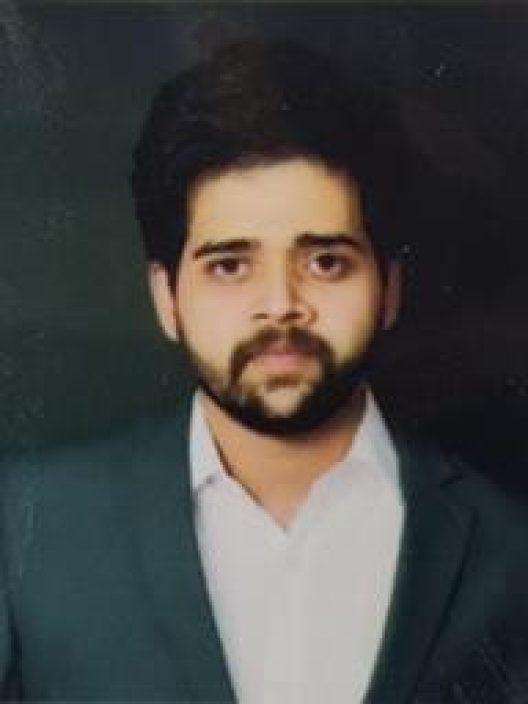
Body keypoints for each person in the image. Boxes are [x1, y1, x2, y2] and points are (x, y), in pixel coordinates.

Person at [1, 39, 528, 703]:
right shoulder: (26, 528)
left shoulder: (508, 551)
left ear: (389, 289)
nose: (280, 305)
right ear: (166, 298)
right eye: (229, 265)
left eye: (326, 262)